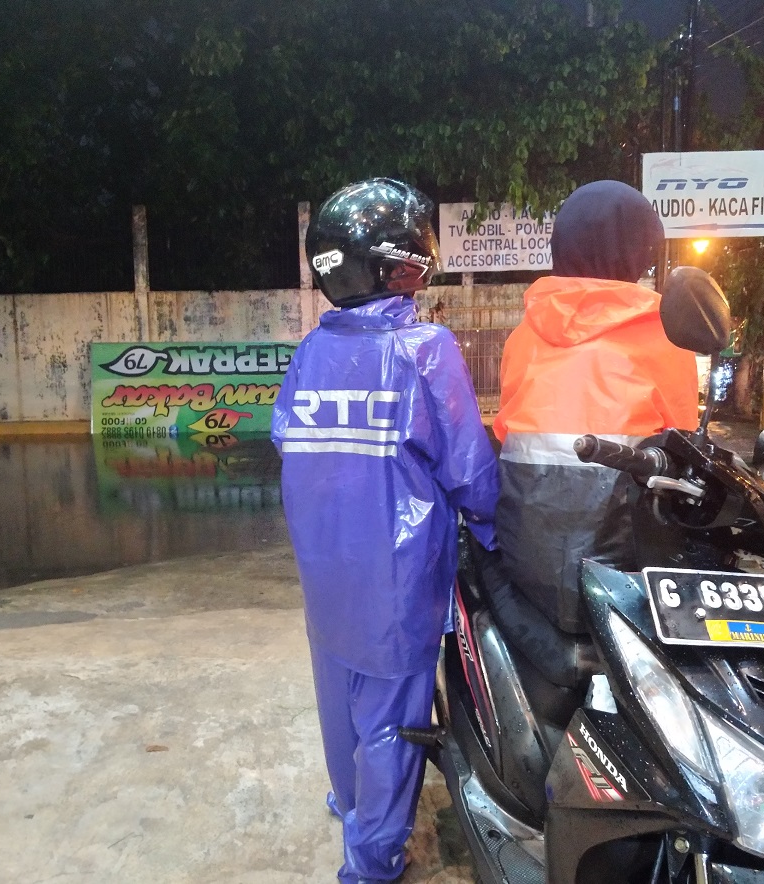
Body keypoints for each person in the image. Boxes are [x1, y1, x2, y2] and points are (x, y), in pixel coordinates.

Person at [272, 178, 498, 884]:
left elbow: (289, 443)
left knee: (338, 691)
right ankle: (370, 860)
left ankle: (350, 803)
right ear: (395, 263)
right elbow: (468, 469)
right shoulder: (424, 348)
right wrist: (497, 536)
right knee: (391, 716)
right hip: (397, 577)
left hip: (325, 566)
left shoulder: (310, 352)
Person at [493, 180, 699, 635]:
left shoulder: (524, 334)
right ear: (641, 249)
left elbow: (506, 432)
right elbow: (686, 443)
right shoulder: (666, 334)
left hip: (528, 549)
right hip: (623, 555)